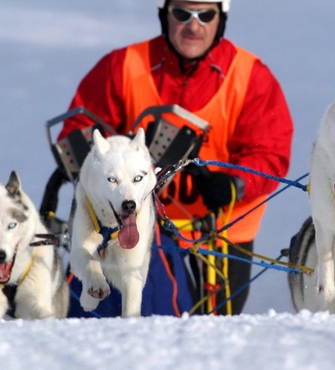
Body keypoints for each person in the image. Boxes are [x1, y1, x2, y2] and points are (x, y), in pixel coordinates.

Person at [56, 0, 293, 316]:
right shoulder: (122, 66)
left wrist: (233, 183)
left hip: (219, 237)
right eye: (182, 13)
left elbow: (270, 152)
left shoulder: (250, 76)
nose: (193, 26)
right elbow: (77, 134)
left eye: (205, 14)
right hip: (129, 227)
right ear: (164, 14)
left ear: (220, 18)